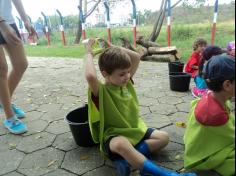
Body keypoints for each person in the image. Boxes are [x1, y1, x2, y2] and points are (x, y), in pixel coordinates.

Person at [84, 39, 197, 176]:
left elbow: (136, 57)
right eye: (122, 74)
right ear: (105, 74)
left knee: (164, 138)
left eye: (128, 72)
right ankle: (166, 174)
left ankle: (127, 160)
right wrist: (88, 52)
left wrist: (111, 47)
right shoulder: (101, 91)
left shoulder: (125, 83)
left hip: (135, 130)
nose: (127, 76)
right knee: (121, 144)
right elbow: (90, 76)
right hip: (114, 136)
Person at [184, 55, 235, 176]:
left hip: (197, 149)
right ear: (227, 85)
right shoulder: (215, 114)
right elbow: (231, 138)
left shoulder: (211, 96)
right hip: (203, 159)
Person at [0, 0, 37, 134]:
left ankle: (4, 101)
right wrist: (1, 24)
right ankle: (9, 117)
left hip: (8, 20)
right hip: (2, 23)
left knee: (21, 64)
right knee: (1, 68)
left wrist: (25, 20)